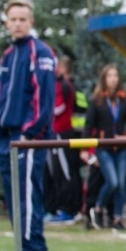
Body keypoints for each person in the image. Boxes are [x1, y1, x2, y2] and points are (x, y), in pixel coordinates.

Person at [0, 0, 57, 251]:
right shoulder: (7, 55)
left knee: (27, 196)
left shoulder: (39, 52)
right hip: (6, 138)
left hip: (28, 138)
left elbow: (44, 98)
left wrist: (30, 133)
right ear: (6, 23)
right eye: (13, 19)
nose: (17, 24)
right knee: (13, 197)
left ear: (31, 22)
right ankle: (27, 249)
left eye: (22, 19)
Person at [83, 64, 126, 231]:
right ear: (104, 79)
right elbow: (88, 125)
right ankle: (98, 209)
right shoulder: (97, 100)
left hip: (120, 149)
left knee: (121, 184)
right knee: (112, 182)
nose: (113, 79)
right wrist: (84, 150)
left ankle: (117, 218)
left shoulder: (125, 100)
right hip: (103, 148)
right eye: (110, 76)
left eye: (115, 75)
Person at [44, 56, 82, 225]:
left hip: (62, 133)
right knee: (58, 172)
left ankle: (69, 210)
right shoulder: (61, 84)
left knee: (65, 172)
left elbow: (58, 108)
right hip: (58, 133)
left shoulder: (63, 84)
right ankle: (60, 208)